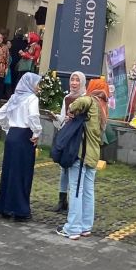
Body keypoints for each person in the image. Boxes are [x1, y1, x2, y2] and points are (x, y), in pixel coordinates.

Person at [58, 78, 108, 241]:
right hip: (93, 155)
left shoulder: (91, 100)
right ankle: (86, 226)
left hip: (81, 154)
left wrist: (71, 109)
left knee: (76, 189)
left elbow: (79, 102)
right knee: (88, 191)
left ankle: (72, 228)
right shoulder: (103, 107)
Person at [0, 72, 42, 220]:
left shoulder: (15, 97)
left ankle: (4, 206)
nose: (38, 87)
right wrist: (36, 133)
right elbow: (33, 116)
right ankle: (19, 209)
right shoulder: (31, 99)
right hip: (23, 137)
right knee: (22, 173)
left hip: (12, 136)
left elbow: (0, 114)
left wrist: (8, 129)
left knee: (8, 171)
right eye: (37, 83)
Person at [52, 70, 87, 213]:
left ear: (83, 82)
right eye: (72, 79)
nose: (74, 83)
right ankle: (62, 200)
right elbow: (63, 117)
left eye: (77, 80)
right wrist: (57, 118)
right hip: (67, 135)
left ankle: (75, 202)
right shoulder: (67, 98)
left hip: (79, 137)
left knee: (74, 168)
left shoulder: (86, 99)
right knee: (63, 168)